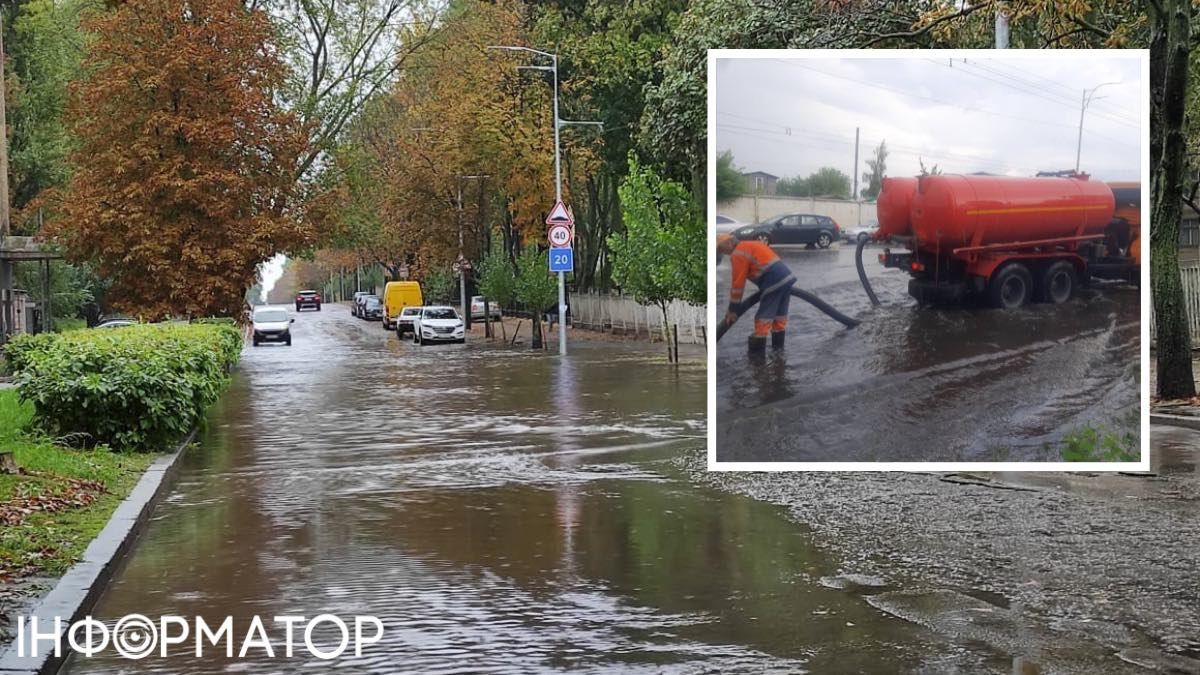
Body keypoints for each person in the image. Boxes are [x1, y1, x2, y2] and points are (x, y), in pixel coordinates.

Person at [717, 234, 796, 351]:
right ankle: (778, 352)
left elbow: (738, 285)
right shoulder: (752, 244)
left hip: (772, 282)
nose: (724, 253)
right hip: (787, 278)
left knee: (762, 319)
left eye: (722, 249)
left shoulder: (738, 253)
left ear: (729, 243)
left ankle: (757, 361)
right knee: (780, 317)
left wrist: (733, 310)